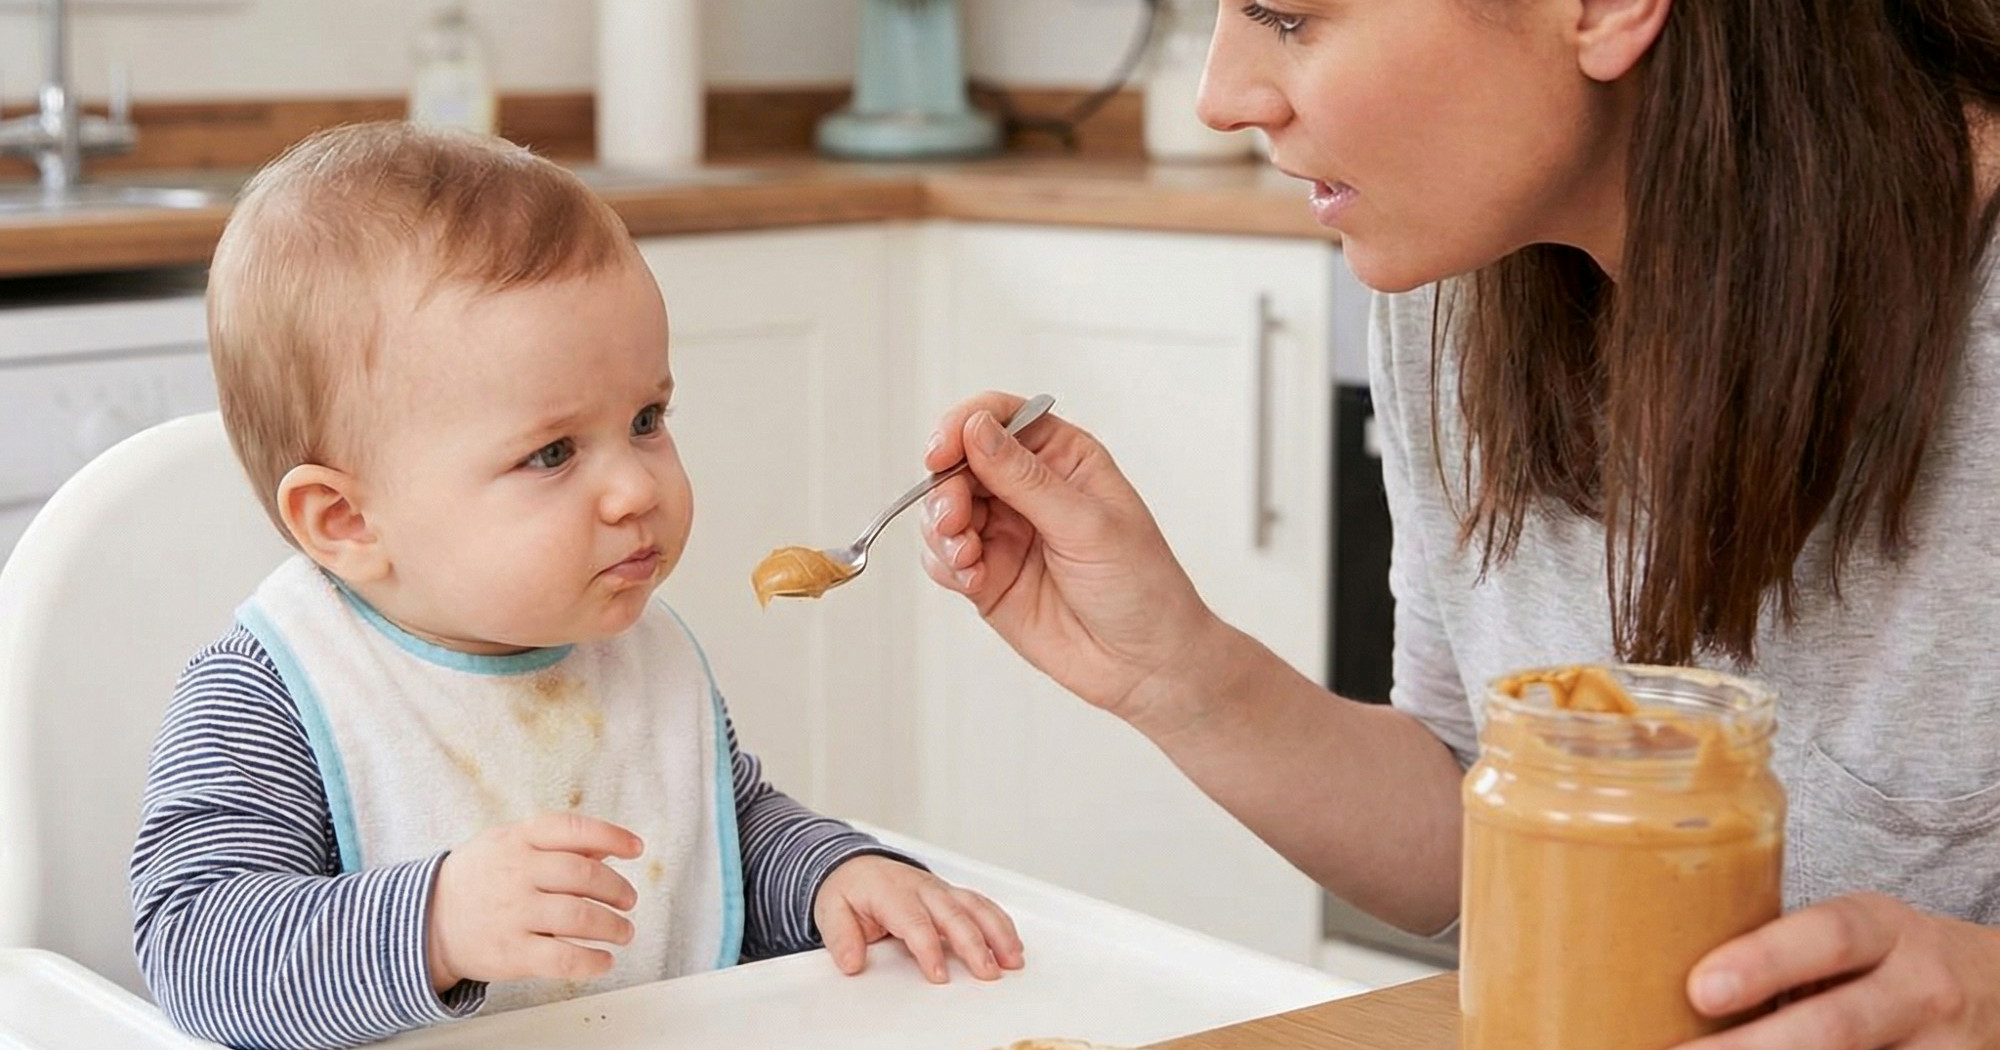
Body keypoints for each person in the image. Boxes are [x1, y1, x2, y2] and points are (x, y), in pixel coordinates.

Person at [916, 1, 2000, 1047]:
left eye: (1286, 16)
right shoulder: (1450, 280)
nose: (1220, 97)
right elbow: (1470, 830)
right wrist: (1177, 674)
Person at [130, 123, 1022, 1050]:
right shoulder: (278, 693)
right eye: (551, 453)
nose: (637, 487)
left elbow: (719, 831)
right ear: (347, 522)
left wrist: (837, 878)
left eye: (646, 418)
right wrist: (436, 925)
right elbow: (196, 948)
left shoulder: (631, 648)